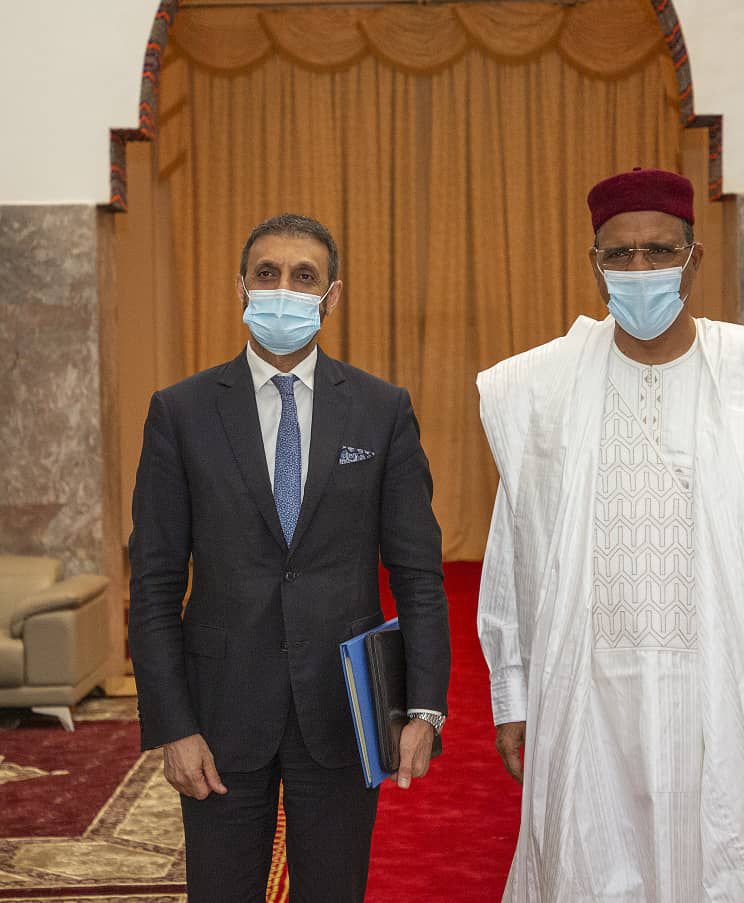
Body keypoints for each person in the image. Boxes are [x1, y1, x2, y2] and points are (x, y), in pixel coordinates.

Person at [476, 168, 744, 902]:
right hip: (587, 695)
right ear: (594, 264)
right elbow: (512, 549)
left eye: (658, 251)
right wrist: (511, 693)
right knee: (587, 868)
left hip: (723, 694)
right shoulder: (543, 389)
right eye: (619, 255)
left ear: (694, 257)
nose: (639, 269)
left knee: (724, 866)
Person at [129, 213, 450, 903]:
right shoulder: (180, 412)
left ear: (331, 296)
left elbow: (419, 575)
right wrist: (172, 726)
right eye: (266, 273)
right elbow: (154, 582)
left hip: (341, 711)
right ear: (240, 287)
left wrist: (423, 708)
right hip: (217, 716)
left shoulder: (380, 409)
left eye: (303, 276)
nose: (283, 289)